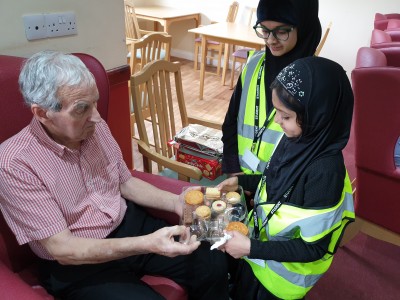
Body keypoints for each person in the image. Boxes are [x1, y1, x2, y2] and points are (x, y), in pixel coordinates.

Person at [0, 50, 229, 300]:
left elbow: (125, 182)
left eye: (95, 102)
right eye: (82, 109)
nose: (97, 117)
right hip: (77, 261)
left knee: (212, 260)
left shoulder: (92, 127)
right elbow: (62, 248)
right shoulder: (14, 163)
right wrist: (146, 243)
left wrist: (175, 201)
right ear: (43, 113)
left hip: (127, 223)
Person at [218, 56, 355, 299]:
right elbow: (276, 181)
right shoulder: (296, 139)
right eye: (276, 111)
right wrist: (242, 182)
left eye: (286, 116)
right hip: (260, 256)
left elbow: (313, 247)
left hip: (283, 280)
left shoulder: (325, 173)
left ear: (318, 116)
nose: (277, 121)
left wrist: (251, 247)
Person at [222, 0, 322, 179]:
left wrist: (261, 188)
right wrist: (233, 171)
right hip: (240, 180)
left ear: (304, 27)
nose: (270, 40)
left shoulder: (318, 82)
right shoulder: (253, 65)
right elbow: (230, 121)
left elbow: (311, 152)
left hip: (281, 191)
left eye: (281, 32)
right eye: (264, 30)